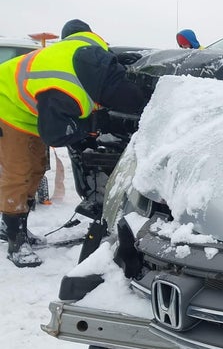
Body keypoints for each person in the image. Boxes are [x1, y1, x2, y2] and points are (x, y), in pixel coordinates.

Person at [0, 19, 146, 268]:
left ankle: (10, 224)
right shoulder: (66, 88)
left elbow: (104, 72)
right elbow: (55, 134)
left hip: (29, 109)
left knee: (36, 169)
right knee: (18, 172)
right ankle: (16, 240)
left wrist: (119, 63)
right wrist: (89, 127)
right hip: (7, 107)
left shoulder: (92, 51)